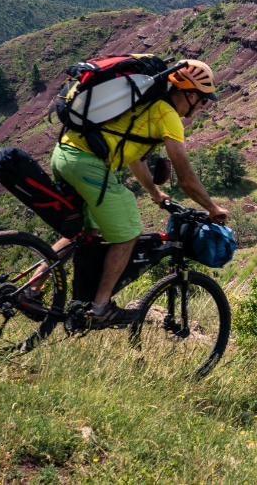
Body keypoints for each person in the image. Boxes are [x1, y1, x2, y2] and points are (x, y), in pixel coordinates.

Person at [46, 58, 231, 325]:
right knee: (129, 232)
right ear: (190, 94)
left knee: (86, 232)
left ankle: (33, 285)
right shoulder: (168, 116)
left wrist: (155, 193)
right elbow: (187, 178)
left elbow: (134, 156)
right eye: (203, 99)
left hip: (65, 154)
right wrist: (213, 208)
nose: (204, 105)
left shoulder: (146, 103)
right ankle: (100, 309)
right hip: (86, 164)